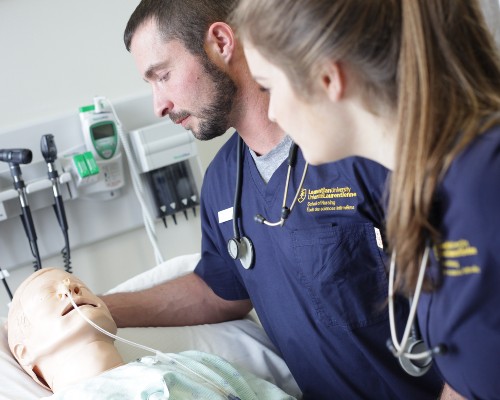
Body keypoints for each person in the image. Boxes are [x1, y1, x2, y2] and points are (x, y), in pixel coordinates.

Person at [101, 1, 444, 398]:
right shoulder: (223, 181)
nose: (158, 105)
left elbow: (475, 294)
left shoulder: (359, 144)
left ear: (220, 42)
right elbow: (219, 290)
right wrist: (98, 309)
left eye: (163, 75)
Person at [230, 0, 500, 399]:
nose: (270, 110)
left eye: (268, 86)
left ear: (327, 78)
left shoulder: (482, 185)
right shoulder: (429, 186)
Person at [7, 268, 296, 399]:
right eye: (49, 293)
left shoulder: (194, 363)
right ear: (24, 351)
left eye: (77, 283)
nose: (71, 289)